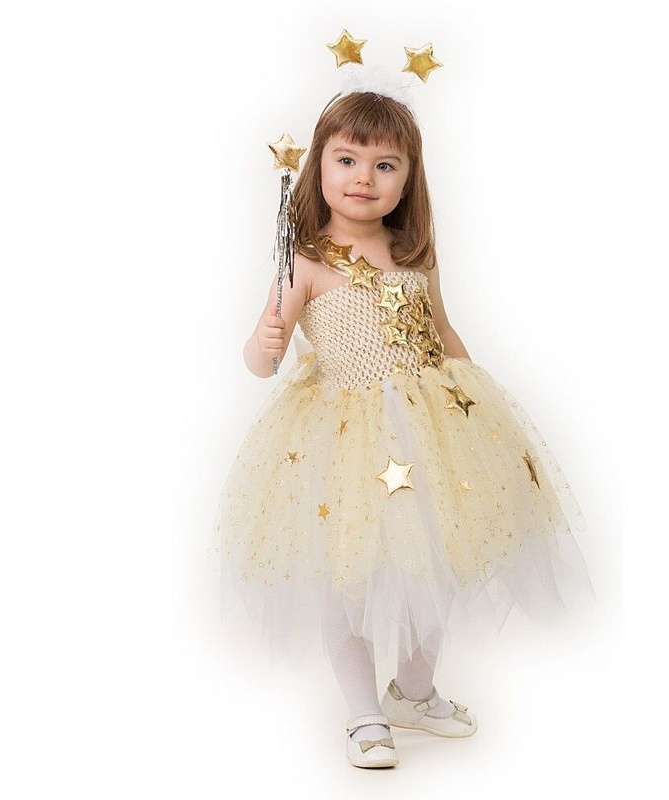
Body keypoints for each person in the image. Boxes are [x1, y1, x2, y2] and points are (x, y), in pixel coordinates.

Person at [215, 90, 593, 769]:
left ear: (409, 178)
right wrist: (264, 344)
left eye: (385, 165)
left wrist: (480, 408)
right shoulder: (305, 261)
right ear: (318, 167)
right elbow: (262, 359)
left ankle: (413, 693)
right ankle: (364, 710)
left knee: (434, 565)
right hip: (342, 440)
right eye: (347, 160)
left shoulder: (414, 253)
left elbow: (443, 331)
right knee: (346, 575)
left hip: (431, 432)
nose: (364, 177)